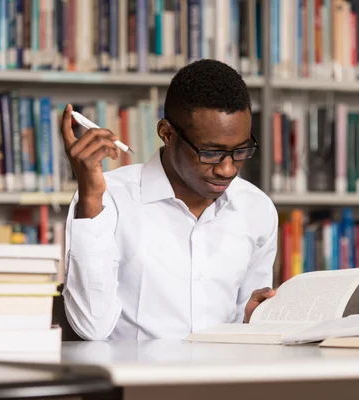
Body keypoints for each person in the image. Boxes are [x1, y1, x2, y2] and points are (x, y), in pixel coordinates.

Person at [60, 59, 279, 341]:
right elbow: (91, 327)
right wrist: (90, 197)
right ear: (167, 134)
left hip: (223, 379)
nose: (227, 169)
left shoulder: (256, 208)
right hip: (137, 382)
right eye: (211, 152)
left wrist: (251, 321)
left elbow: (243, 327)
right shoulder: (107, 199)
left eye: (240, 151)